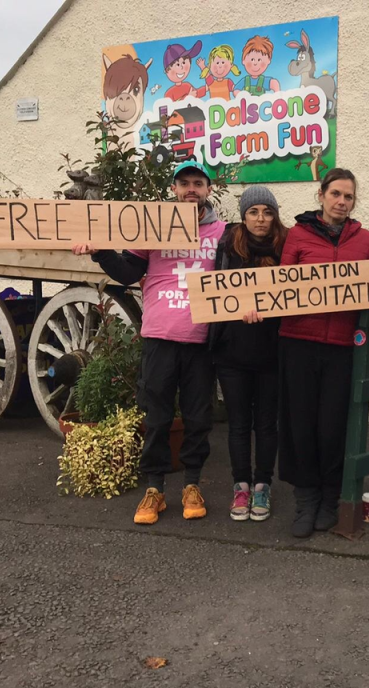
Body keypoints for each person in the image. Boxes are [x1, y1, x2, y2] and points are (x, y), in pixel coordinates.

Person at [72, 160, 226, 524]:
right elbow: (128, 272)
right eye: (184, 183)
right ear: (174, 189)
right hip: (159, 337)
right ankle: (154, 488)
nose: (191, 189)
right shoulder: (152, 227)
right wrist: (100, 252)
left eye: (198, 183)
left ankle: (191, 484)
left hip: (202, 340)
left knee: (198, 416)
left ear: (208, 189)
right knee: (156, 417)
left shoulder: (222, 232)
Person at [276, 169, 369, 538]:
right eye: (336, 194)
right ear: (321, 195)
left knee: (332, 427)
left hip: (343, 348)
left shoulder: (366, 240)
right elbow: (282, 286)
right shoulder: (297, 235)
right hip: (298, 342)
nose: (342, 202)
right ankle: (305, 499)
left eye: (348, 196)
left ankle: (330, 498)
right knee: (300, 425)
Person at [210, 187, 287, 522]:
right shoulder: (228, 245)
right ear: (244, 215)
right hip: (233, 352)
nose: (260, 219)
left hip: (272, 351)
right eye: (254, 211)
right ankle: (241, 485)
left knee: (267, 424)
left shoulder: (287, 245)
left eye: (267, 212)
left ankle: (262, 486)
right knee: (239, 423)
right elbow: (213, 291)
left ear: (274, 216)